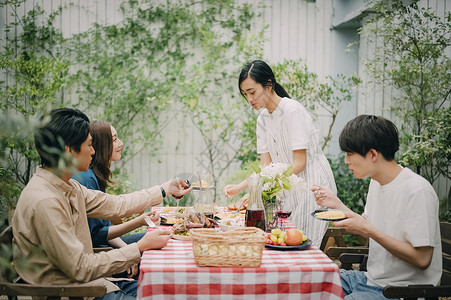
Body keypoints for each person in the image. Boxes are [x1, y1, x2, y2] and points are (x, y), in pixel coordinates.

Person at [12, 108, 191, 300]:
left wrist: (164, 189)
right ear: (69, 150)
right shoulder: (46, 201)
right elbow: (80, 268)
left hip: (95, 284)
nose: (93, 151)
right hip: (77, 293)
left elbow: (116, 205)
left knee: (172, 290)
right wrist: (138, 249)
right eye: (89, 145)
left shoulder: (67, 186)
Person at [312, 115, 442, 300]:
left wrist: (369, 229)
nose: (346, 161)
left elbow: (422, 259)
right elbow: (367, 225)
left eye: (350, 154)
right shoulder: (376, 183)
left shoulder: (417, 191)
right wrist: (336, 203)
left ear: (373, 154)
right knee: (309, 280)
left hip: (400, 291)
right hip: (370, 280)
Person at [223, 60, 337, 247]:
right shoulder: (263, 119)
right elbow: (265, 166)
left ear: (268, 84)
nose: (249, 99)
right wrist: (240, 187)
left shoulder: (292, 110)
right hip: (288, 186)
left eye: (252, 92)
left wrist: (268, 185)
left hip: (311, 187)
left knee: (302, 247)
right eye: (245, 94)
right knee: (283, 244)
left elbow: (300, 162)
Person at [72, 120, 157, 279]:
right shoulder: (87, 178)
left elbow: (104, 230)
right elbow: (96, 236)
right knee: (155, 251)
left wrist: (128, 249)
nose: (121, 143)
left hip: (105, 247)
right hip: (99, 256)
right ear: (99, 145)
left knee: (158, 239)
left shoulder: (95, 174)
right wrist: (130, 252)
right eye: (114, 139)